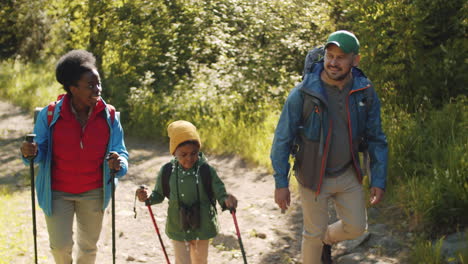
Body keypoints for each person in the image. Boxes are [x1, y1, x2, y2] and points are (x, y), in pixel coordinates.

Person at [270, 30, 388, 263]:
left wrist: (378, 179)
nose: (333, 62)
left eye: (340, 57)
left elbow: (376, 138)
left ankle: (326, 238)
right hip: (313, 175)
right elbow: (282, 139)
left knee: (357, 227)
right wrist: (281, 182)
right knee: (311, 235)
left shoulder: (364, 91)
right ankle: (317, 240)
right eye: (329, 55)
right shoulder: (302, 93)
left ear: (355, 60)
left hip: (348, 171)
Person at [20, 50, 129, 264]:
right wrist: (29, 152)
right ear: (73, 88)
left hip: (94, 191)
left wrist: (119, 163)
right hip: (58, 192)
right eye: (90, 85)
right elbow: (38, 152)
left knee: (88, 250)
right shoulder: (50, 114)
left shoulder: (109, 116)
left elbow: (121, 151)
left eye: (98, 84)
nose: (97, 89)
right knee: (60, 248)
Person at [136, 120, 238, 264]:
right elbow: (158, 195)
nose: (189, 158)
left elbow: (220, 192)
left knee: (200, 261)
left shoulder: (206, 170)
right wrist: (146, 198)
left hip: (203, 225)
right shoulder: (167, 171)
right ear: (174, 152)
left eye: (194, 153)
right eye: (183, 154)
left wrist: (226, 200)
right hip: (178, 225)